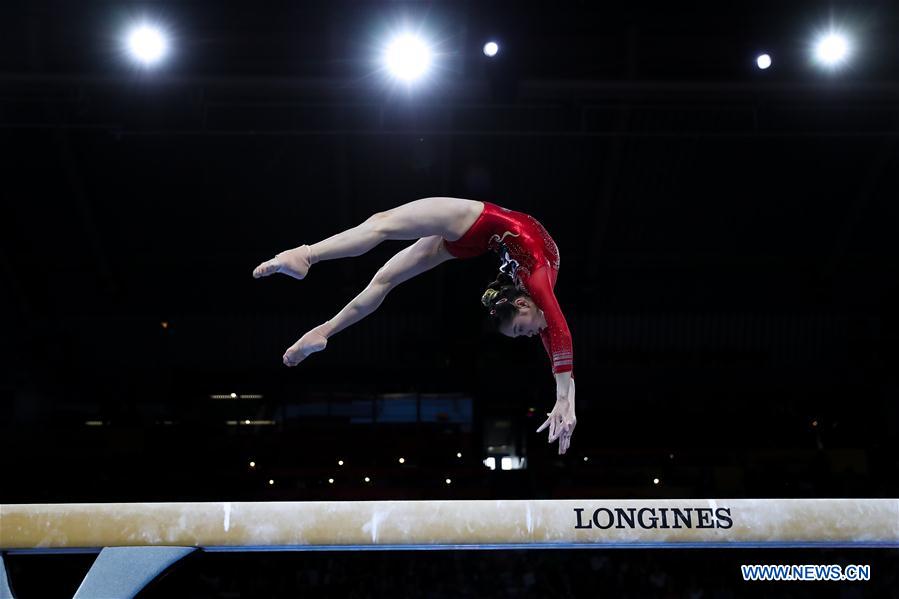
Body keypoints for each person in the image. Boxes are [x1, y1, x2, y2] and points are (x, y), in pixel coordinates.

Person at [253, 197, 576, 454]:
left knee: (385, 277)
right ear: (521, 304)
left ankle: (324, 330)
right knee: (382, 225)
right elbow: (560, 331)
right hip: (472, 219)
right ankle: (307, 256)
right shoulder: (539, 282)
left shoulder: (536, 302)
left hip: (477, 240)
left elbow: (556, 351)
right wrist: (563, 397)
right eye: (520, 330)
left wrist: (567, 402)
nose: (527, 335)